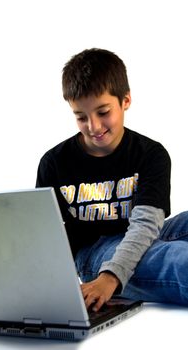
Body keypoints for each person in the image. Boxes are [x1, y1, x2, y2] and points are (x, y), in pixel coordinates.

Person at [36, 48, 188, 312]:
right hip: (95, 255)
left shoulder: (151, 154)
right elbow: (42, 237)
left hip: (146, 233)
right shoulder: (54, 163)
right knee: (175, 261)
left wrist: (113, 276)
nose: (93, 126)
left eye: (103, 111)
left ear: (125, 100)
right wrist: (109, 277)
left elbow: (146, 225)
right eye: (81, 117)